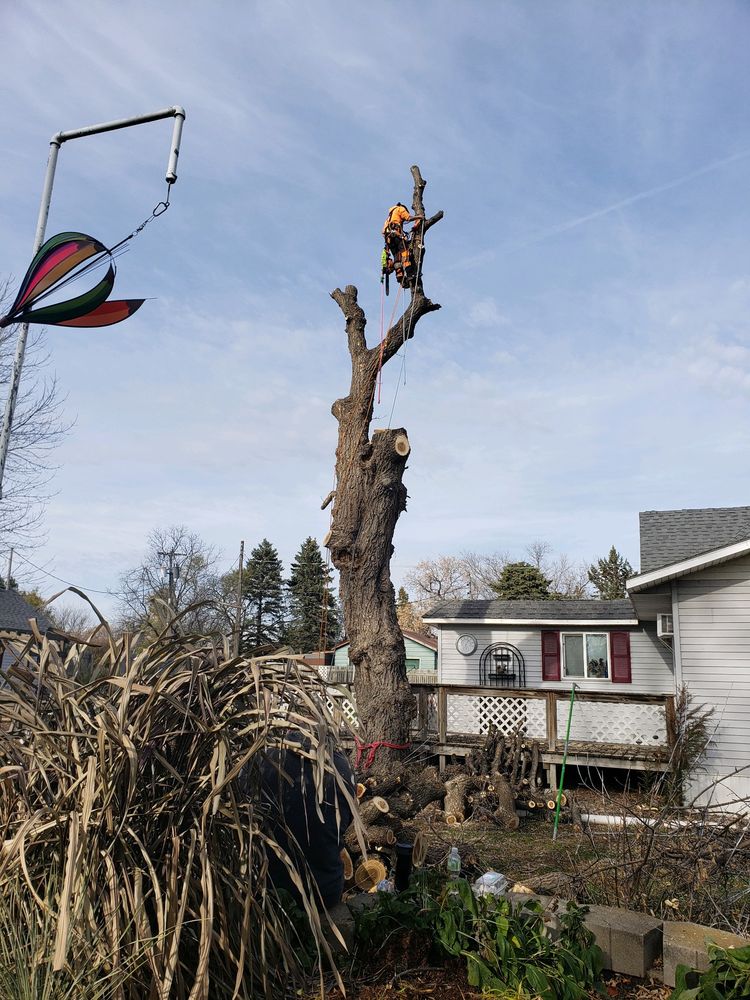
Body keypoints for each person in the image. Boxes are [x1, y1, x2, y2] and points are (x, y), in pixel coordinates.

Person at [259, 733, 355, 909]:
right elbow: (345, 824)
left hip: (268, 888)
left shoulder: (263, 758)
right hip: (323, 894)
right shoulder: (340, 765)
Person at [382, 203, 424, 289]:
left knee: (397, 257)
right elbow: (408, 217)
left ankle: (400, 276)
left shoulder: (389, 217)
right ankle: (410, 274)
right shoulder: (400, 209)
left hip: (389, 240)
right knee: (405, 254)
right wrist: (419, 217)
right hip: (396, 235)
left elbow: (383, 233)